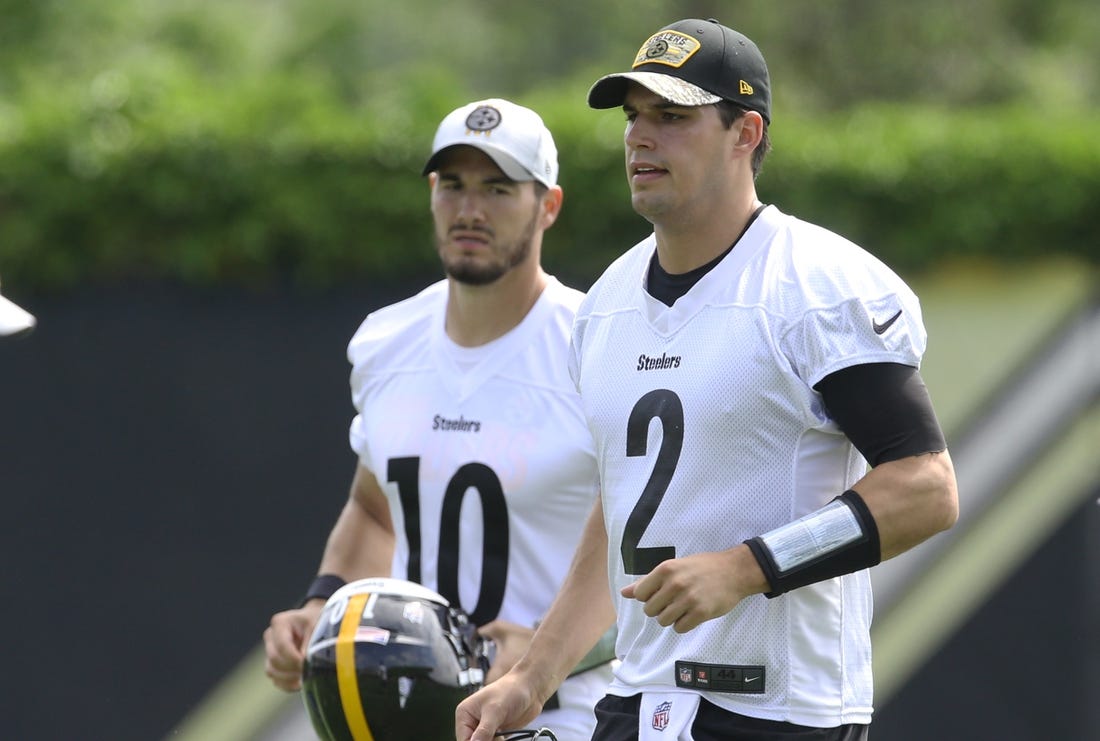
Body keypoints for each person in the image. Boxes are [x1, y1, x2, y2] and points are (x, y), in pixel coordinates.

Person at [456, 18, 959, 741]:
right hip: (639, 699)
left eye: (672, 116)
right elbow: (620, 510)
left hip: (782, 711)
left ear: (745, 132)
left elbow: (925, 486)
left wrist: (747, 566)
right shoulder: (605, 304)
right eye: (634, 117)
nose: (639, 137)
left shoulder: (816, 285)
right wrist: (531, 679)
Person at [262, 98, 613, 739]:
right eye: (452, 185)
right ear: (431, 193)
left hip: (568, 720)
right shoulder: (385, 340)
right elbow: (375, 509)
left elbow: (661, 554)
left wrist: (543, 655)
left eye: (499, 189)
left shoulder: (600, 346)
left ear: (549, 205)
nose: (470, 210)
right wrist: (320, 604)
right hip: (415, 721)